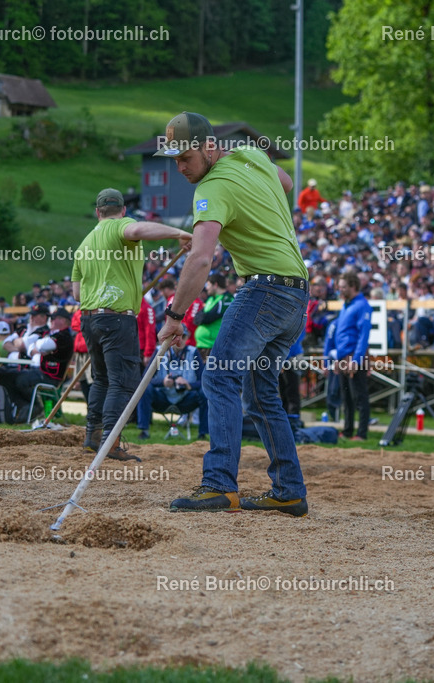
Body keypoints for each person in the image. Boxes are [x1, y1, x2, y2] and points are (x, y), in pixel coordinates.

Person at [155, 111, 310, 517]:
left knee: (220, 375)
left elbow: (202, 259)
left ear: (209, 147)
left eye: (185, 157)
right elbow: (286, 182)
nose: (180, 167)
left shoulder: (211, 188)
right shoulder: (249, 154)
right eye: (173, 159)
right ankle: (289, 491)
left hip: (266, 288)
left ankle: (219, 484)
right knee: (260, 394)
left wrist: (175, 315)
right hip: (296, 293)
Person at [72, 187, 192, 461]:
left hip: (89, 319)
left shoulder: (84, 244)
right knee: (123, 382)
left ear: (97, 212)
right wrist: (179, 233)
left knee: (102, 379)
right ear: (123, 211)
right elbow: (137, 232)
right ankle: (110, 443)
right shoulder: (121, 227)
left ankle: (93, 436)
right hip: (116, 317)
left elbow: (77, 294)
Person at [0, 308, 74, 421]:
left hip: (49, 376)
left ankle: (34, 406)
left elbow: (40, 345)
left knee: (18, 379)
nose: (51, 320)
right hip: (40, 371)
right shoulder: (53, 334)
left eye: (53, 318)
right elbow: (30, 348)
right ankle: (25, 407)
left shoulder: (64, 336)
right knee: (3, 375)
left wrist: (36, 345)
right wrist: (36, 346)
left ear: (63, 321)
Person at [136, 327, 203, 439]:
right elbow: (145, 379)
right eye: (176, 337)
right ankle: (144, 431)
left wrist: (189, 385)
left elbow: (204, 381)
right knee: (145, 388)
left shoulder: (193, 352)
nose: (180, 340)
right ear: (170, 338)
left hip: (185, 398)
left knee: (205, 392)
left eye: (183, 336)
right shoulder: (160, 351)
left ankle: (203, 434)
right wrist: (163, 382)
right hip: (163, 397)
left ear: (187, 338)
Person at [330, 272, 373, 441]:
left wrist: (357, 360)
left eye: (343, 287)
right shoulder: (345, 305)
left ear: (353, 287)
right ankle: (348, 430)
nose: (340, 289)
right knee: (346, 396)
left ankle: (362, 433)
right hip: (342, 357)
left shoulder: (362, 305)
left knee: (359, 396)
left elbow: (363, 336)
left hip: (354, 356)